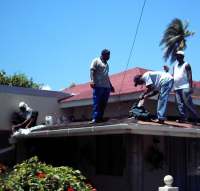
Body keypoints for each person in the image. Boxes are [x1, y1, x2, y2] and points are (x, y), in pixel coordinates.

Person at [173, 50, 200, 123]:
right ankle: (183, 118)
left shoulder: (187, 64)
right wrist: (173, 87)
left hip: (185, 87)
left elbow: (189, 76)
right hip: (177, 87)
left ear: (182, 56)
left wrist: (190, 87)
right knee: (179, 103)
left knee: (187, 103)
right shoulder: (175, 65)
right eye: (176, 55)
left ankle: (196, 118)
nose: (176, 57)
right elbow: (174, 76)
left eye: (178, 55)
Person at [89, 49, 115, 123]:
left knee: (103, 103)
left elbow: (106, 76)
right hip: (98, 86)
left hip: (106, 87)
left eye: (109, 55)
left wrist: (111, 86)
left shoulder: (107, 64)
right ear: (103, 54)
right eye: (108, 55)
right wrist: (92, 81)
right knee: (97, 102)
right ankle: (95, 118)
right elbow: (92, 71)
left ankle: (100, 118)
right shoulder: (96, 60)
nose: (109, 57)